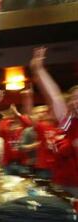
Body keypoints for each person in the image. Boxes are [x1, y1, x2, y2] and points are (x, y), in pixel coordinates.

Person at [30, 46, 78, 195]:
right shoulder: (70, 122)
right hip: (64, 183)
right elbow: (56, 97)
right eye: (74, 99)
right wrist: (40, 69)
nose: (76, 102)